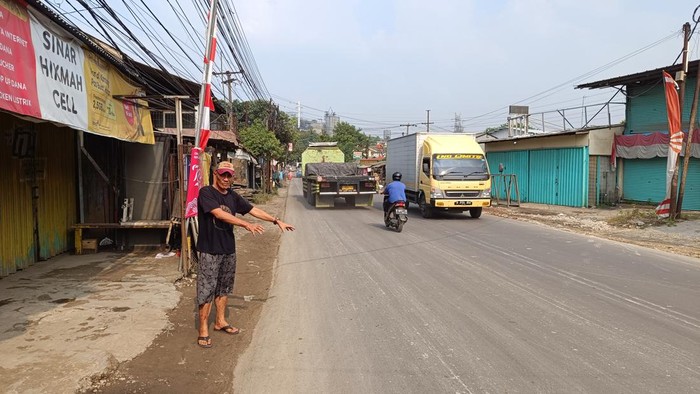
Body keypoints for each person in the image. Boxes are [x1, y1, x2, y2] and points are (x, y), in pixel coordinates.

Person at [195, 161, 295, 348]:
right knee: (206, 289)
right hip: (210, 249)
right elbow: (219, 214)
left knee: (224, 287)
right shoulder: (206, 193)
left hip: (228, 249)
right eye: (222, 174)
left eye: (229, 175)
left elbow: (252, 209)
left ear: (233, 177)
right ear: (216, 174)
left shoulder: (233, 196)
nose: (225, 178)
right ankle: (203, 329)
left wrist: (276, 220)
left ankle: (220, 321)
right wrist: (246, 225)